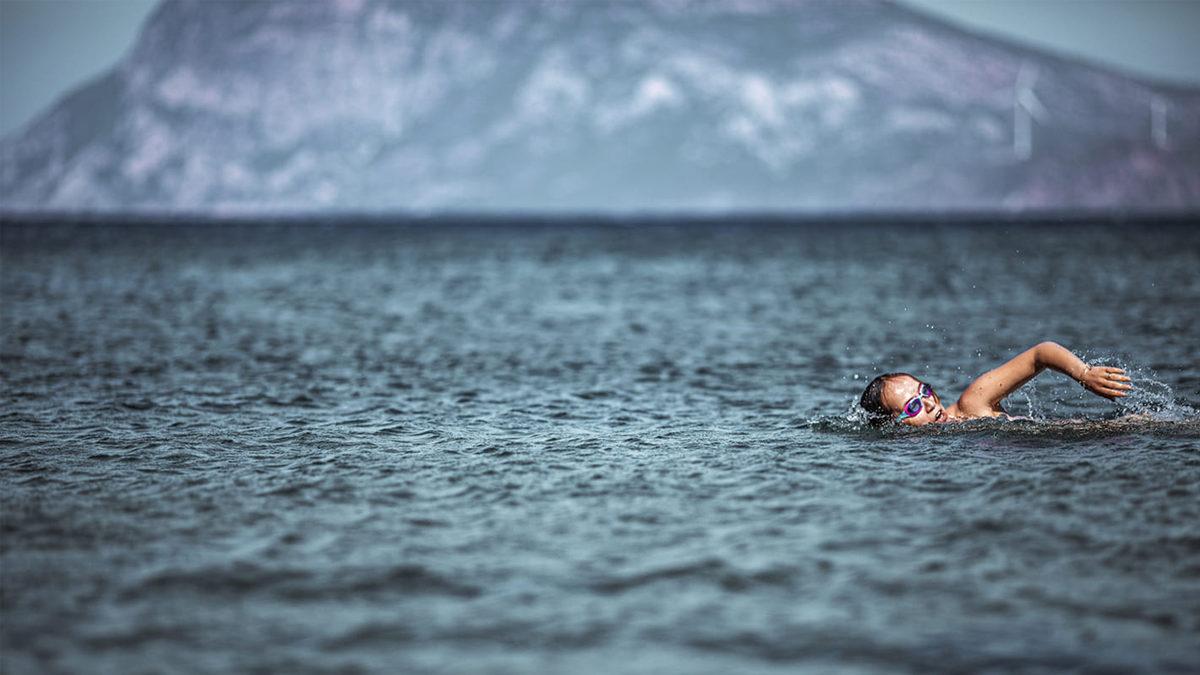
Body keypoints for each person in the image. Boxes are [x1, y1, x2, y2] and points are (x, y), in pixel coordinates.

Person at [859, 341, 1132, 426]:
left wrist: (1085, 374)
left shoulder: (972, 403)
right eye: (914, 405)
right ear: (894, 424)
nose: (930, 403)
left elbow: (1042, 353)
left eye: (925, 391)